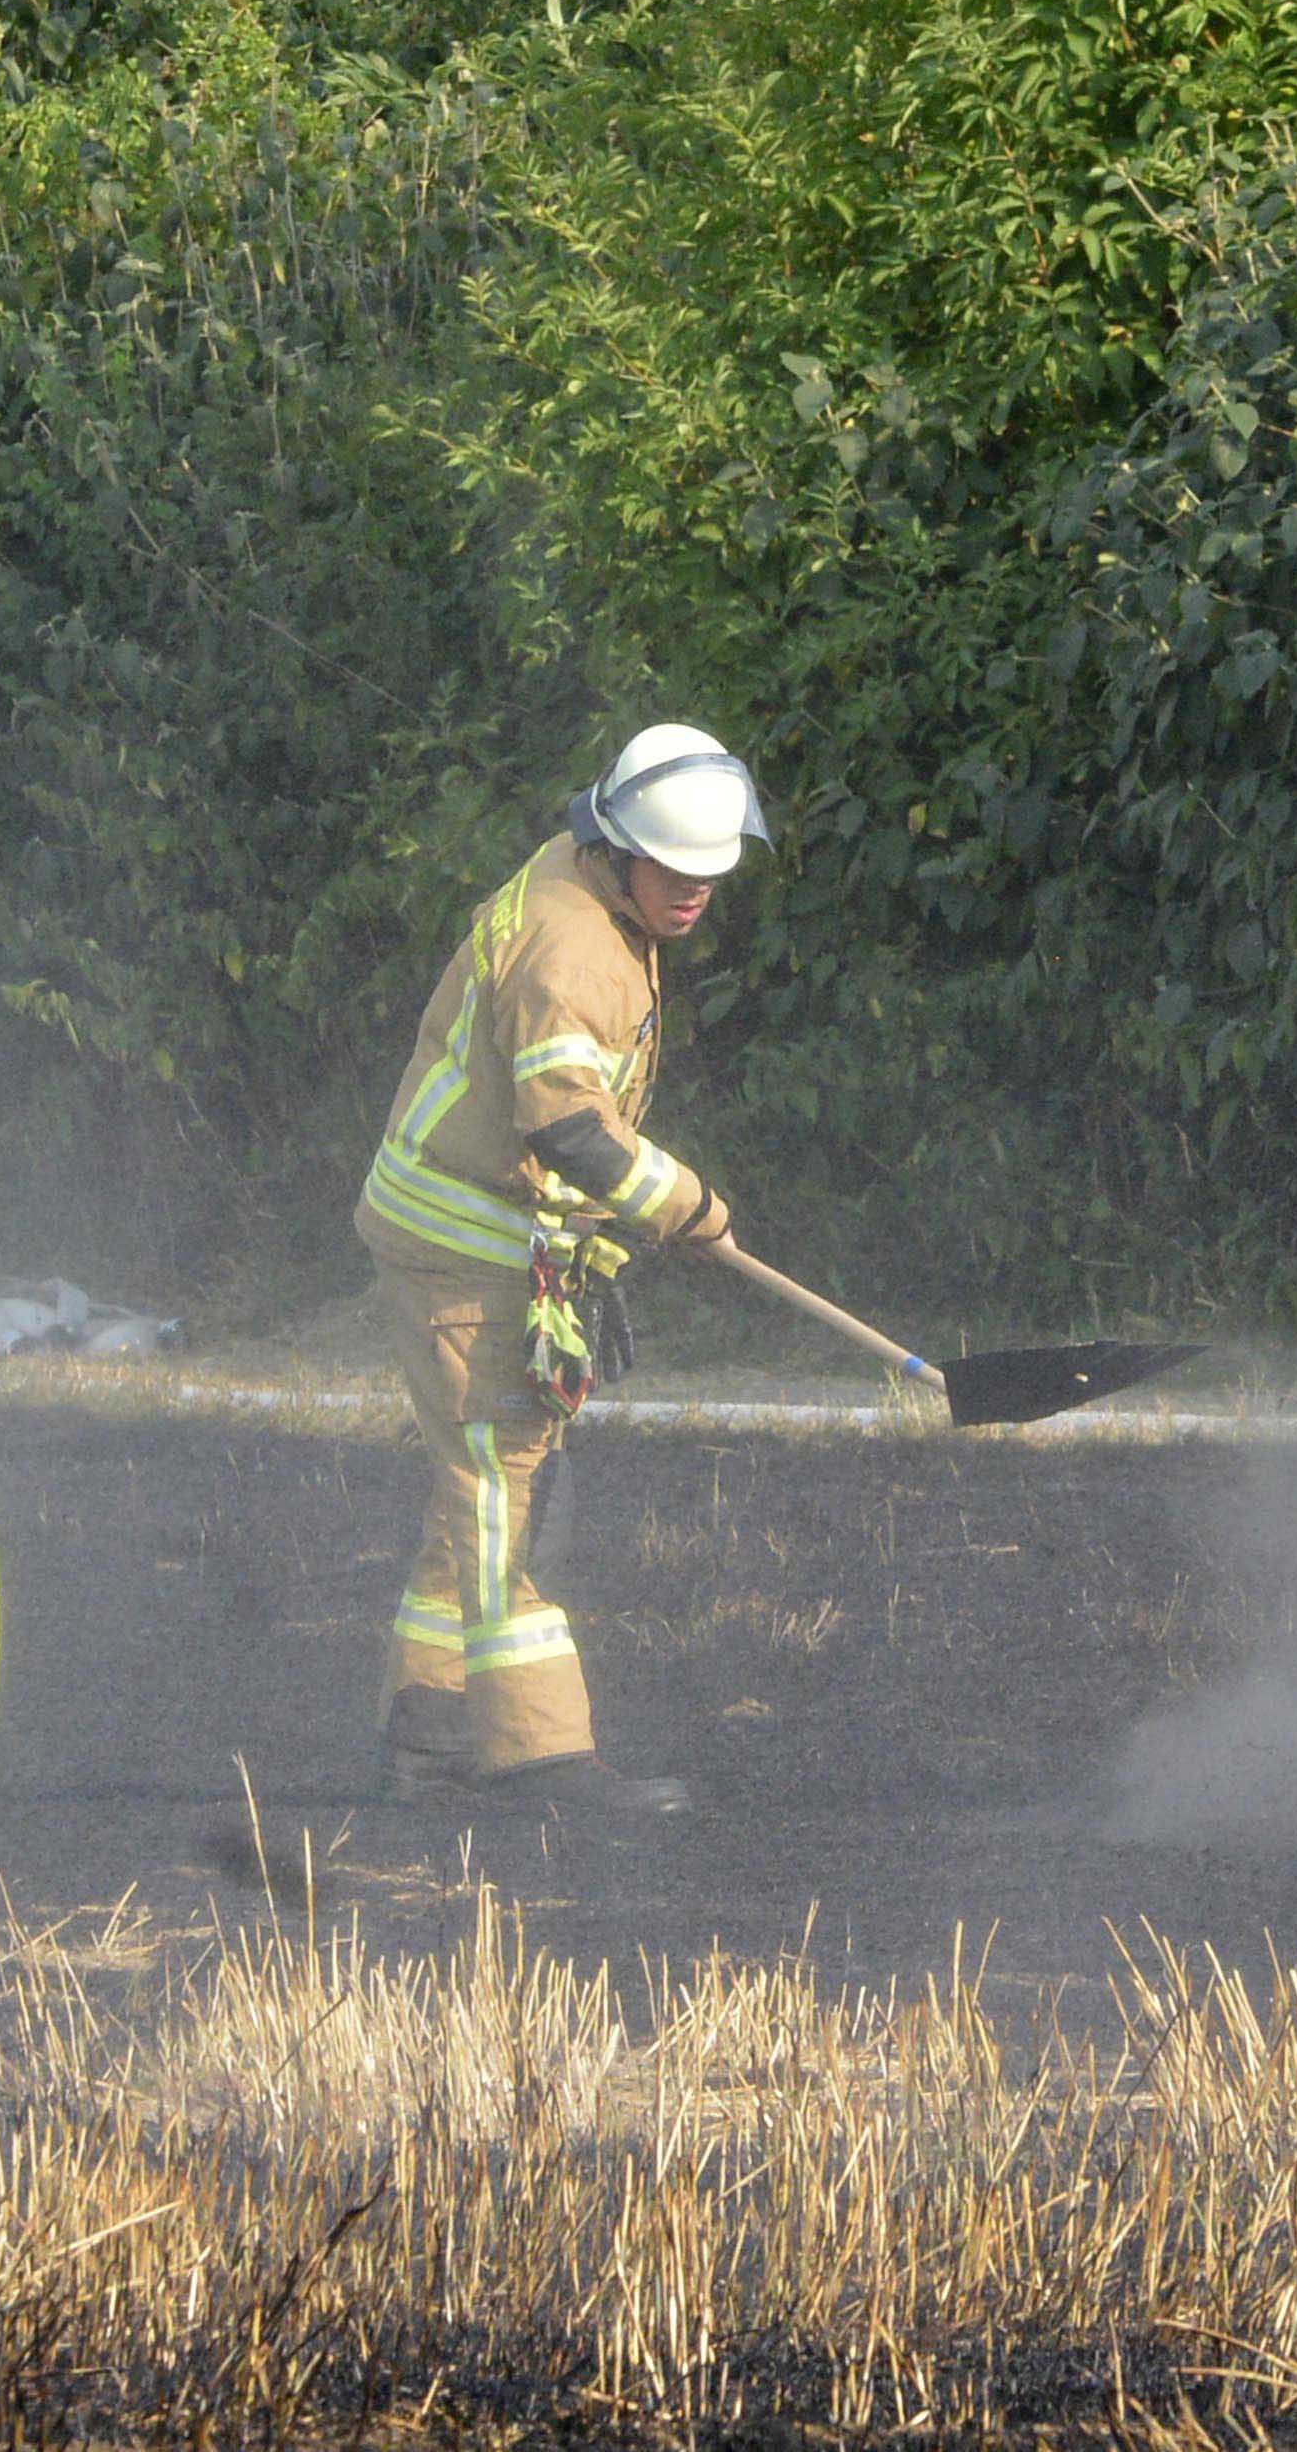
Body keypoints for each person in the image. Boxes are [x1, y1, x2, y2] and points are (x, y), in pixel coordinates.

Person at [351, 726, 773, 1820]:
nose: (693, 894)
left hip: (481, 1231)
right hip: (463, 1247)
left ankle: (431, 1736)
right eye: (675, 871)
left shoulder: (577, 880)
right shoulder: (571, 945)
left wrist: (587, 1250)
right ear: (619, 844)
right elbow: (571, 1127)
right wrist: (689, 1205)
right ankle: (538, 1757)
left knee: (486, 1479)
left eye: (710, 876)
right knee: (507, 1496)